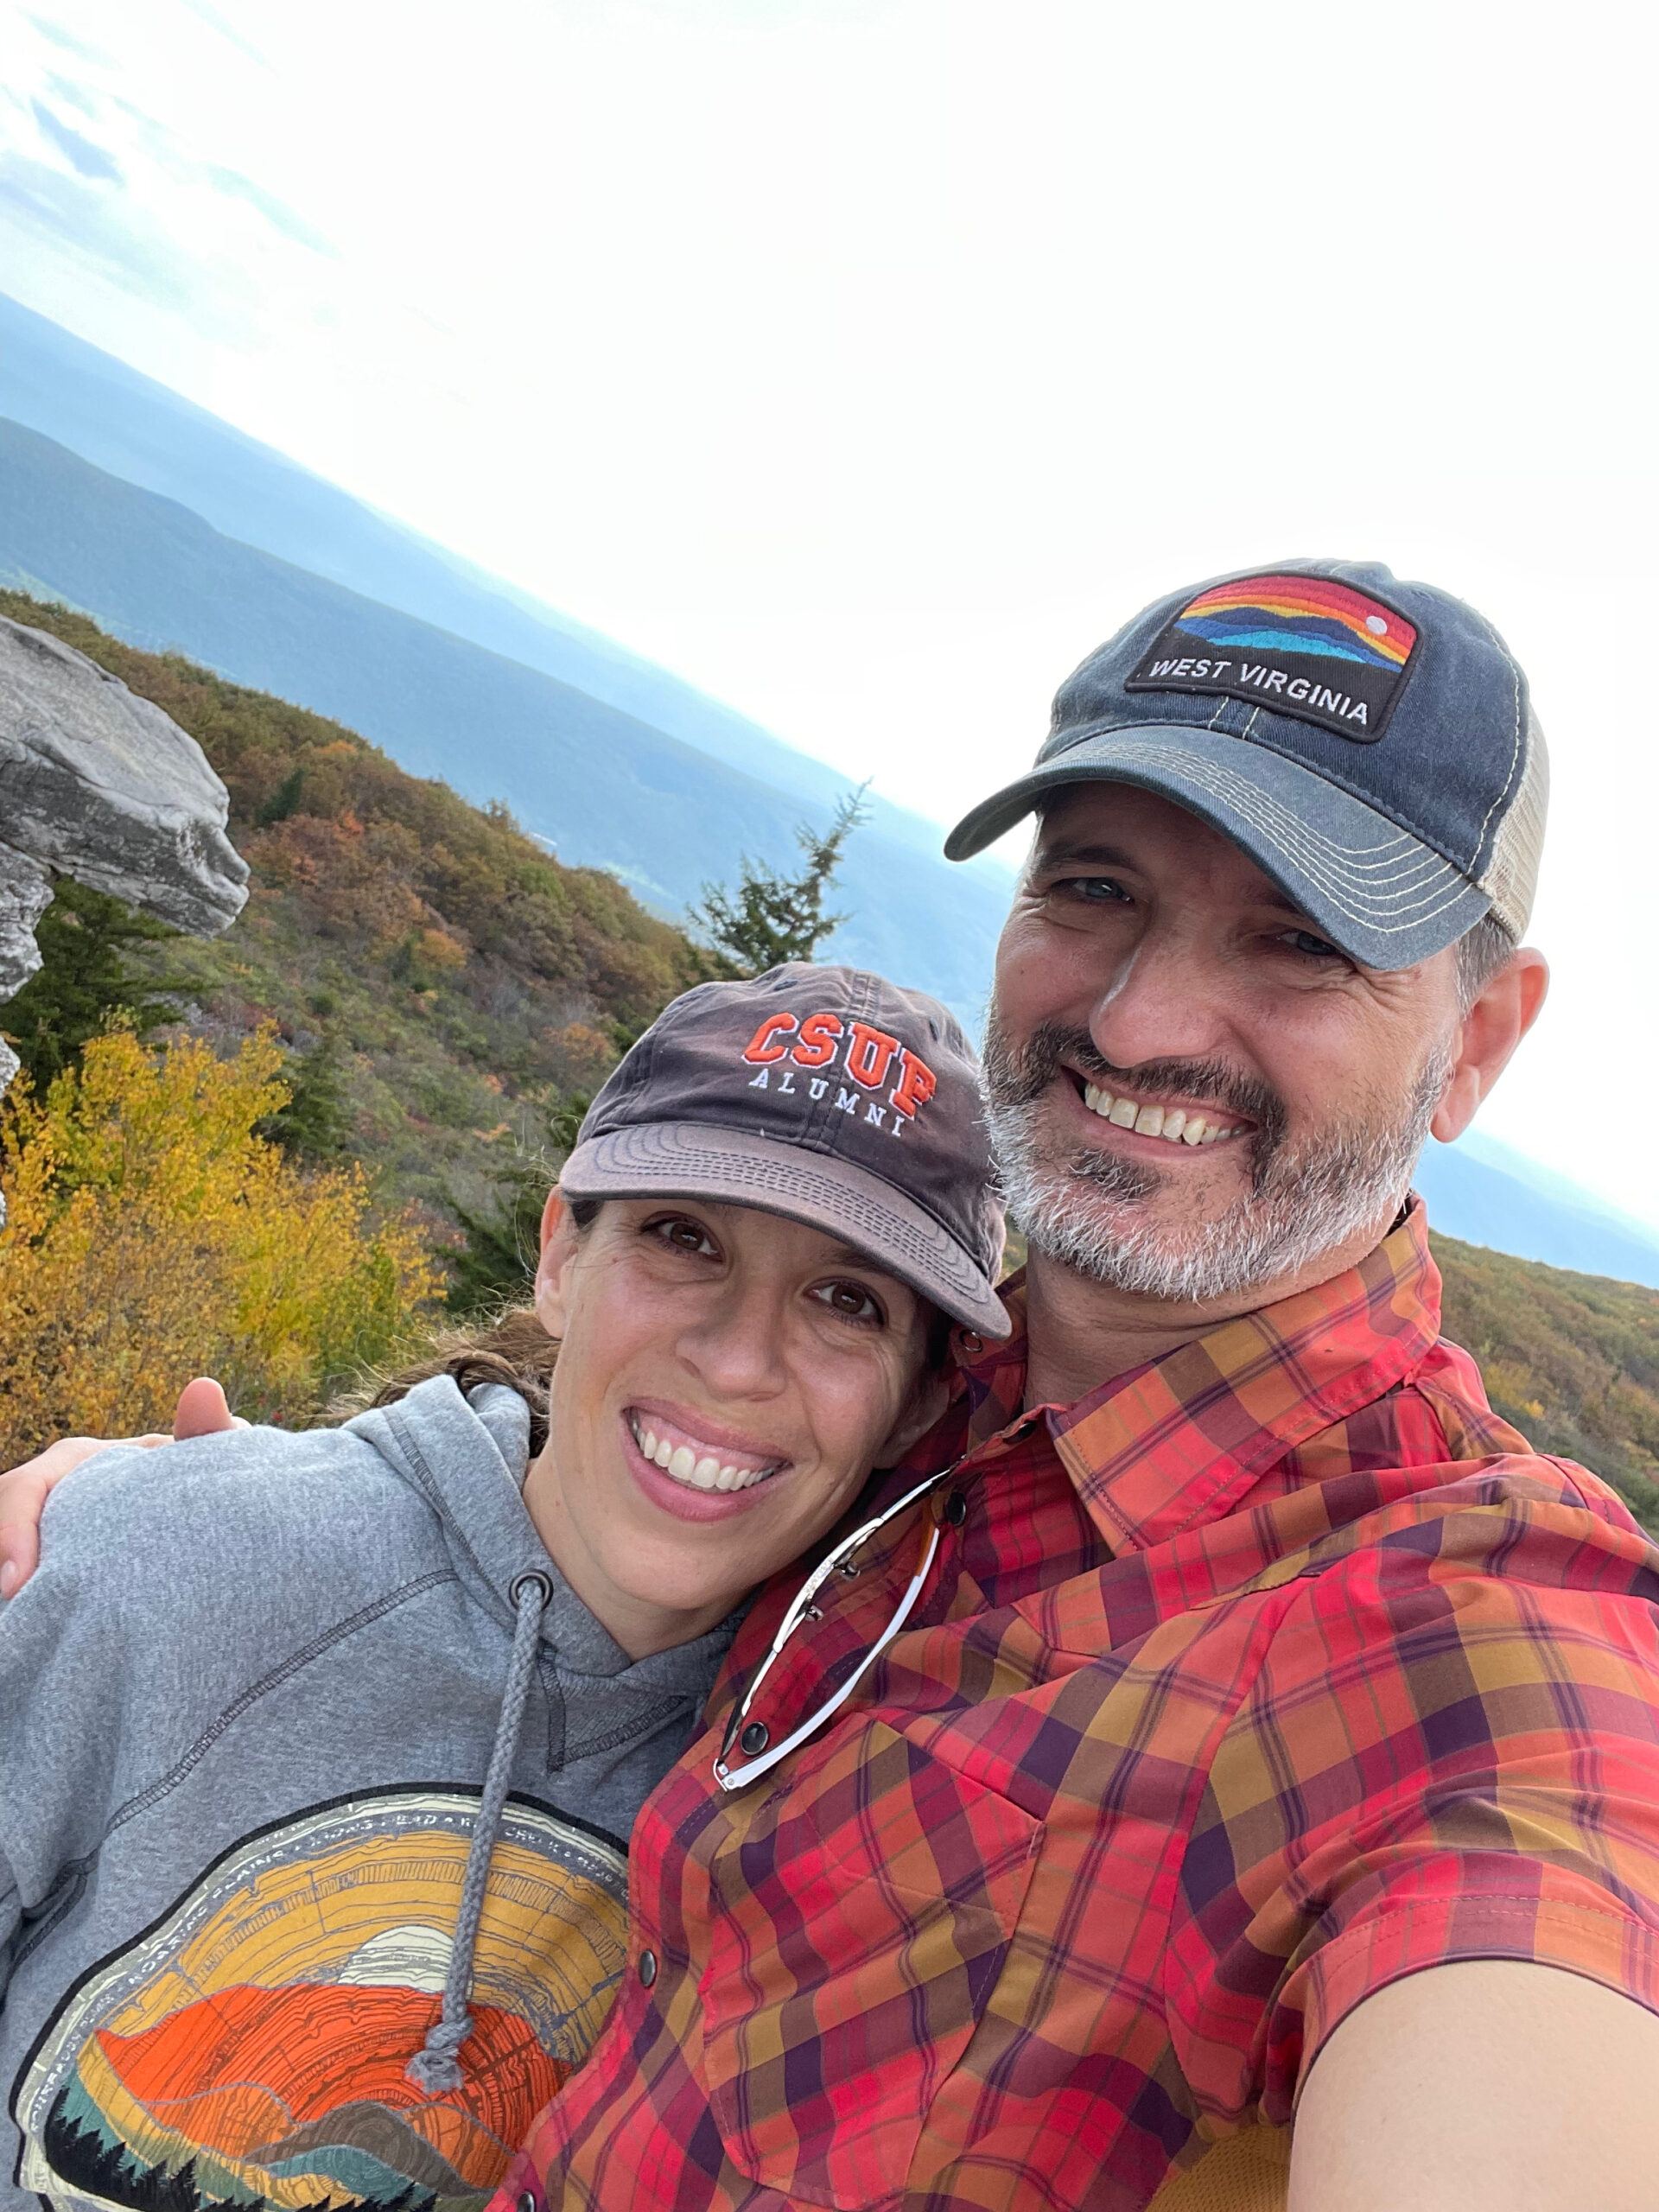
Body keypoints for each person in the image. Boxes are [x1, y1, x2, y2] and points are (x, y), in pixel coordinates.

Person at [13, 563, 1659, 2212]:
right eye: (1093, 888)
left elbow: (1531, 1956)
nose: (1143, 1016)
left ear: (1478, 1045)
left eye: (1301, 942)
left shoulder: (1483, 1644)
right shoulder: (903, 1403)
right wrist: (180, 1524)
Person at [0, 963, 1007, 2212]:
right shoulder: (168, 1568)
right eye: (684, 1238)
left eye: (845, 1299)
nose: (741, 1358)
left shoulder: (836, 1785)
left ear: (913, 1404)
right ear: (558, 1258)